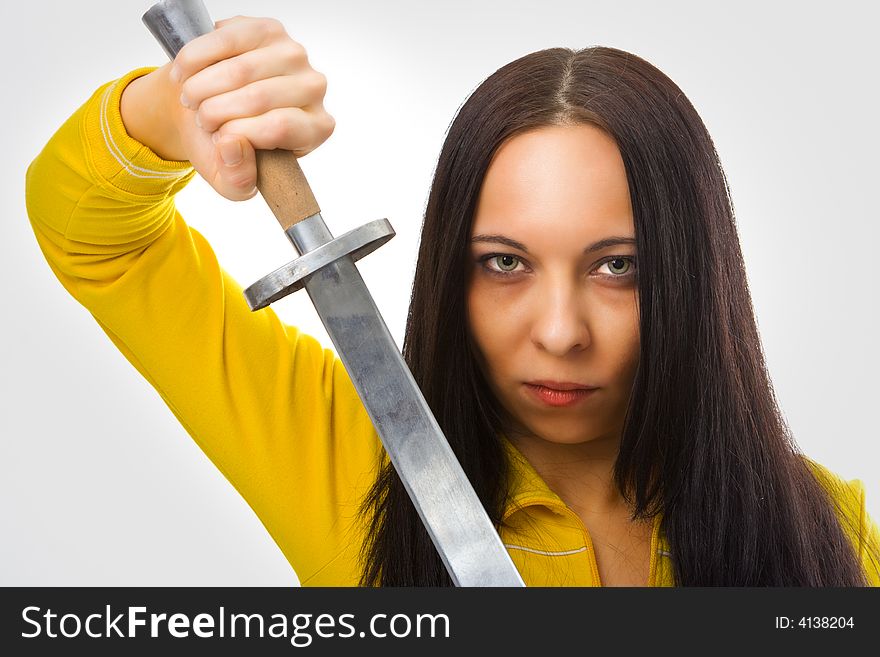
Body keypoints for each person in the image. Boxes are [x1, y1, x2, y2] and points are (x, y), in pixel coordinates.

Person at [26, 16, 880, 586]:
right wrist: (172, 117)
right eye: (506, 262)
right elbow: (95, 237)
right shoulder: (343, 456)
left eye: (619, 267)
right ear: (449, 272)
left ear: (696, 278)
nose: (558, 332)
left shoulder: (823, 525)